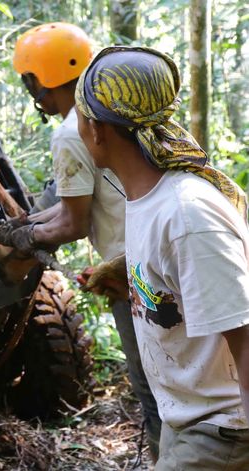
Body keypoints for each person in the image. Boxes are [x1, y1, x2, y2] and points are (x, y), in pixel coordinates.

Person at [68, 45, 249, 469]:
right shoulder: (149, 196)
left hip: (222, 432)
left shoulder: (187, 213)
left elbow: (246, 337)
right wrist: (137, 282)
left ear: (97, 130)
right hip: (186, 420)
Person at [0, 22, 162, 457]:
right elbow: (81, 204)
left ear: (39, 81)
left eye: (29, 80)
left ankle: (170, 459)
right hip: (161, 253)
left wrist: (22, 237)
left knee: (153, 388)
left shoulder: (72, 131)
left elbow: (71, 224)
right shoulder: (114, 110)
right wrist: (27, 224)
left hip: (135, 276)